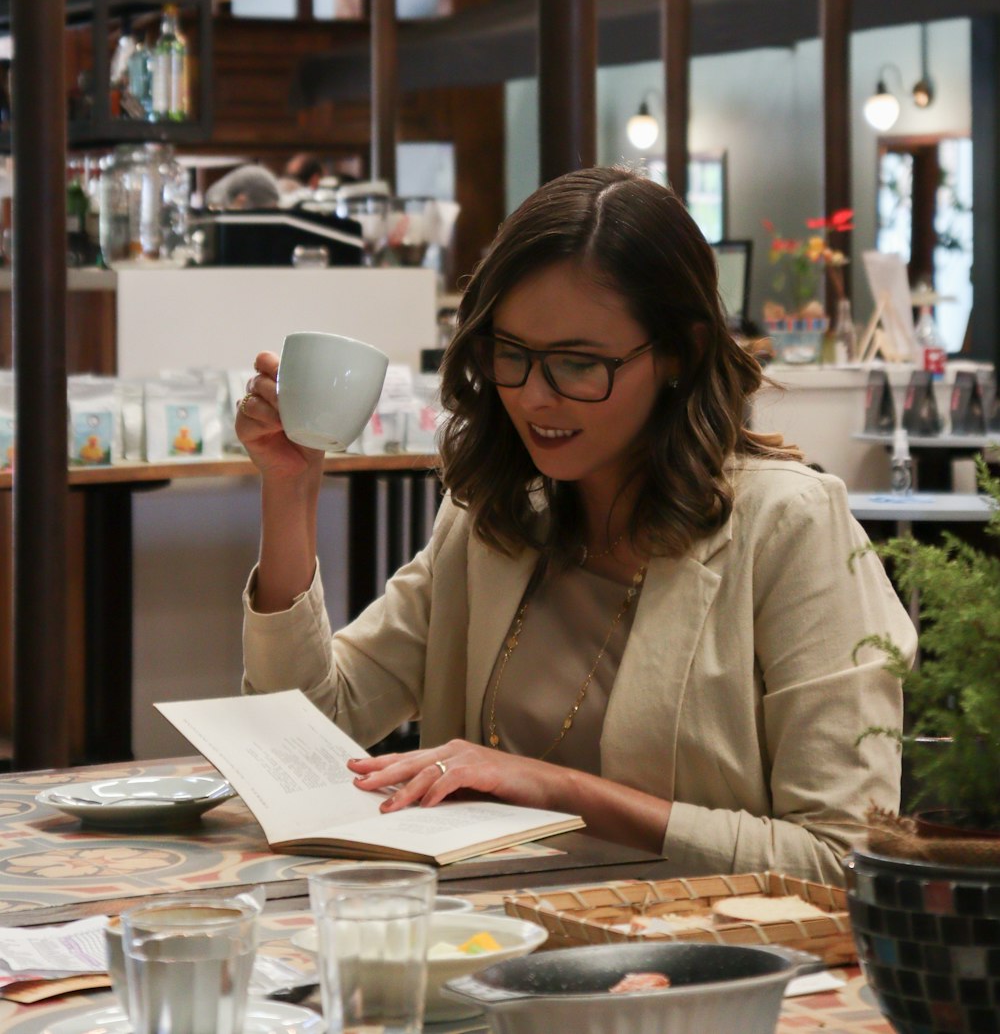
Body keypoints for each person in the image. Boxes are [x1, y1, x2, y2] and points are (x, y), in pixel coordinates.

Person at [237, 166, 916, 884]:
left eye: (578, 364)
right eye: (513, 355)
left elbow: (844, 858)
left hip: (697, 965)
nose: (535, 397)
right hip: (487, 944)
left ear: (679, 352)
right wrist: (290, 490)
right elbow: (306, 728)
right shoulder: (493, 517)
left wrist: (553, 791)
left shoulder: (790, 529)